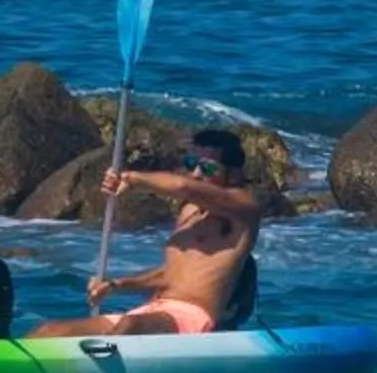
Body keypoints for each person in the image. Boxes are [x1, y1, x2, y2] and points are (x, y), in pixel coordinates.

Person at [30, 128, 260, 337]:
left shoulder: (244, 210)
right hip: (154, 309)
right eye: (191, 163)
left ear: (234, 175)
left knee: (130, 327)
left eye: (208, 168)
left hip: (192, 317)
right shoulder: (189, 212)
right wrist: (116, 285)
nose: (196, 173)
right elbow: (170, 275)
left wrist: (132, 179)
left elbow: (184, 187)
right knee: (47, 331)